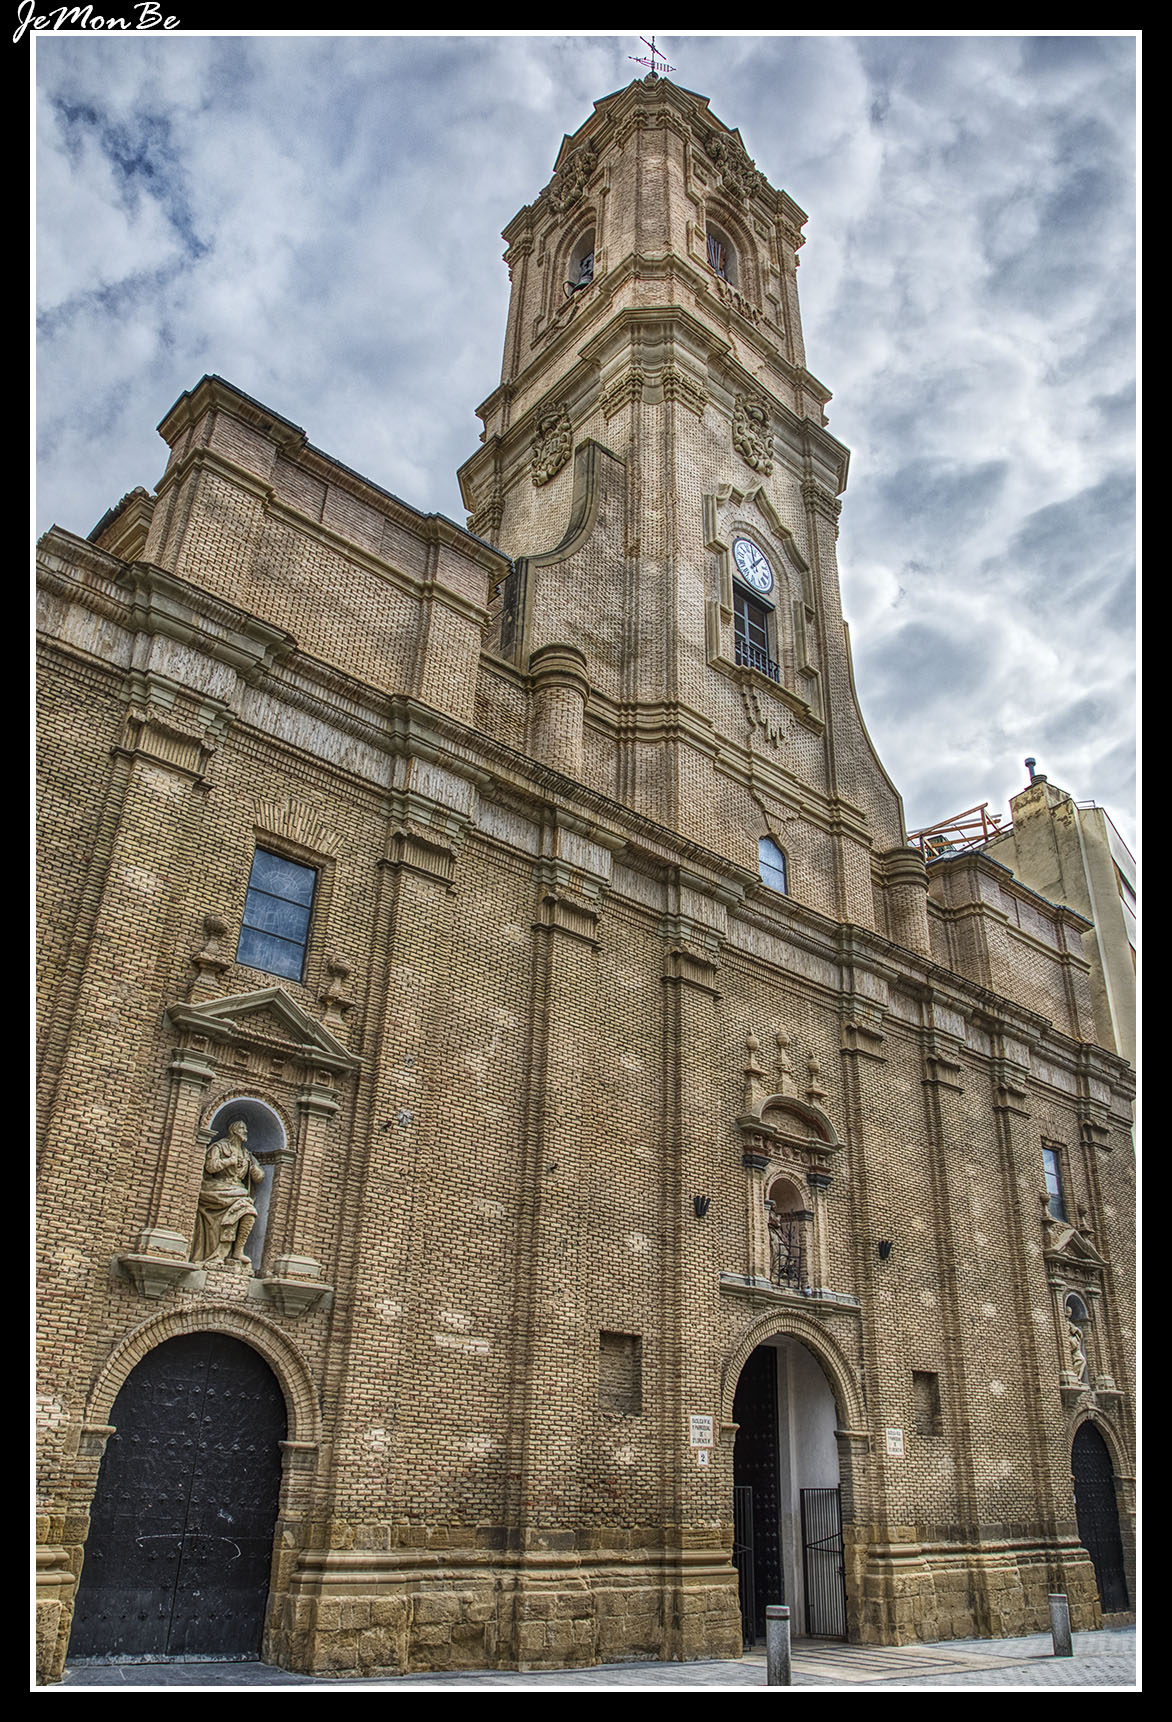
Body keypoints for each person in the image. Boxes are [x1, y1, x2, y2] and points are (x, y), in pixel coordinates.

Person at [190, 1119, 264, 1270]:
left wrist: (256, 1172)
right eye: (242, 1128)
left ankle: (237, 1251)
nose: (245, 1132)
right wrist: (229, 1161)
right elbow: (210, 1166)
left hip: (238, 1192)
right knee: (242, 1206)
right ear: (234, 1130)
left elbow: (259, 1176)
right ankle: (218, 1255)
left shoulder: (246, 1154)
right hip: (218, 1188)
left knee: (249, 1212)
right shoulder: (219, 1147)